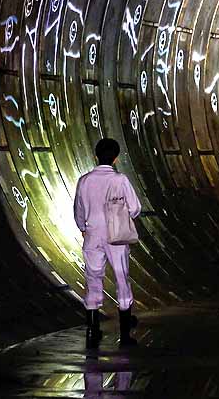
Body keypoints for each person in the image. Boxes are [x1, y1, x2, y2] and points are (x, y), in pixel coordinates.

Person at [73, 138, 142, 348]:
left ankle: (93, 332)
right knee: (122, 278)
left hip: (92, 234)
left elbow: (79, 211)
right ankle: (125, 335)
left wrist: (83, 228)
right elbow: (135, 208)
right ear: (115, 158)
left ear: (96, 156)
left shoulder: (84, 180)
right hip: (116, 236)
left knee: (93, 279)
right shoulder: (120, 180)